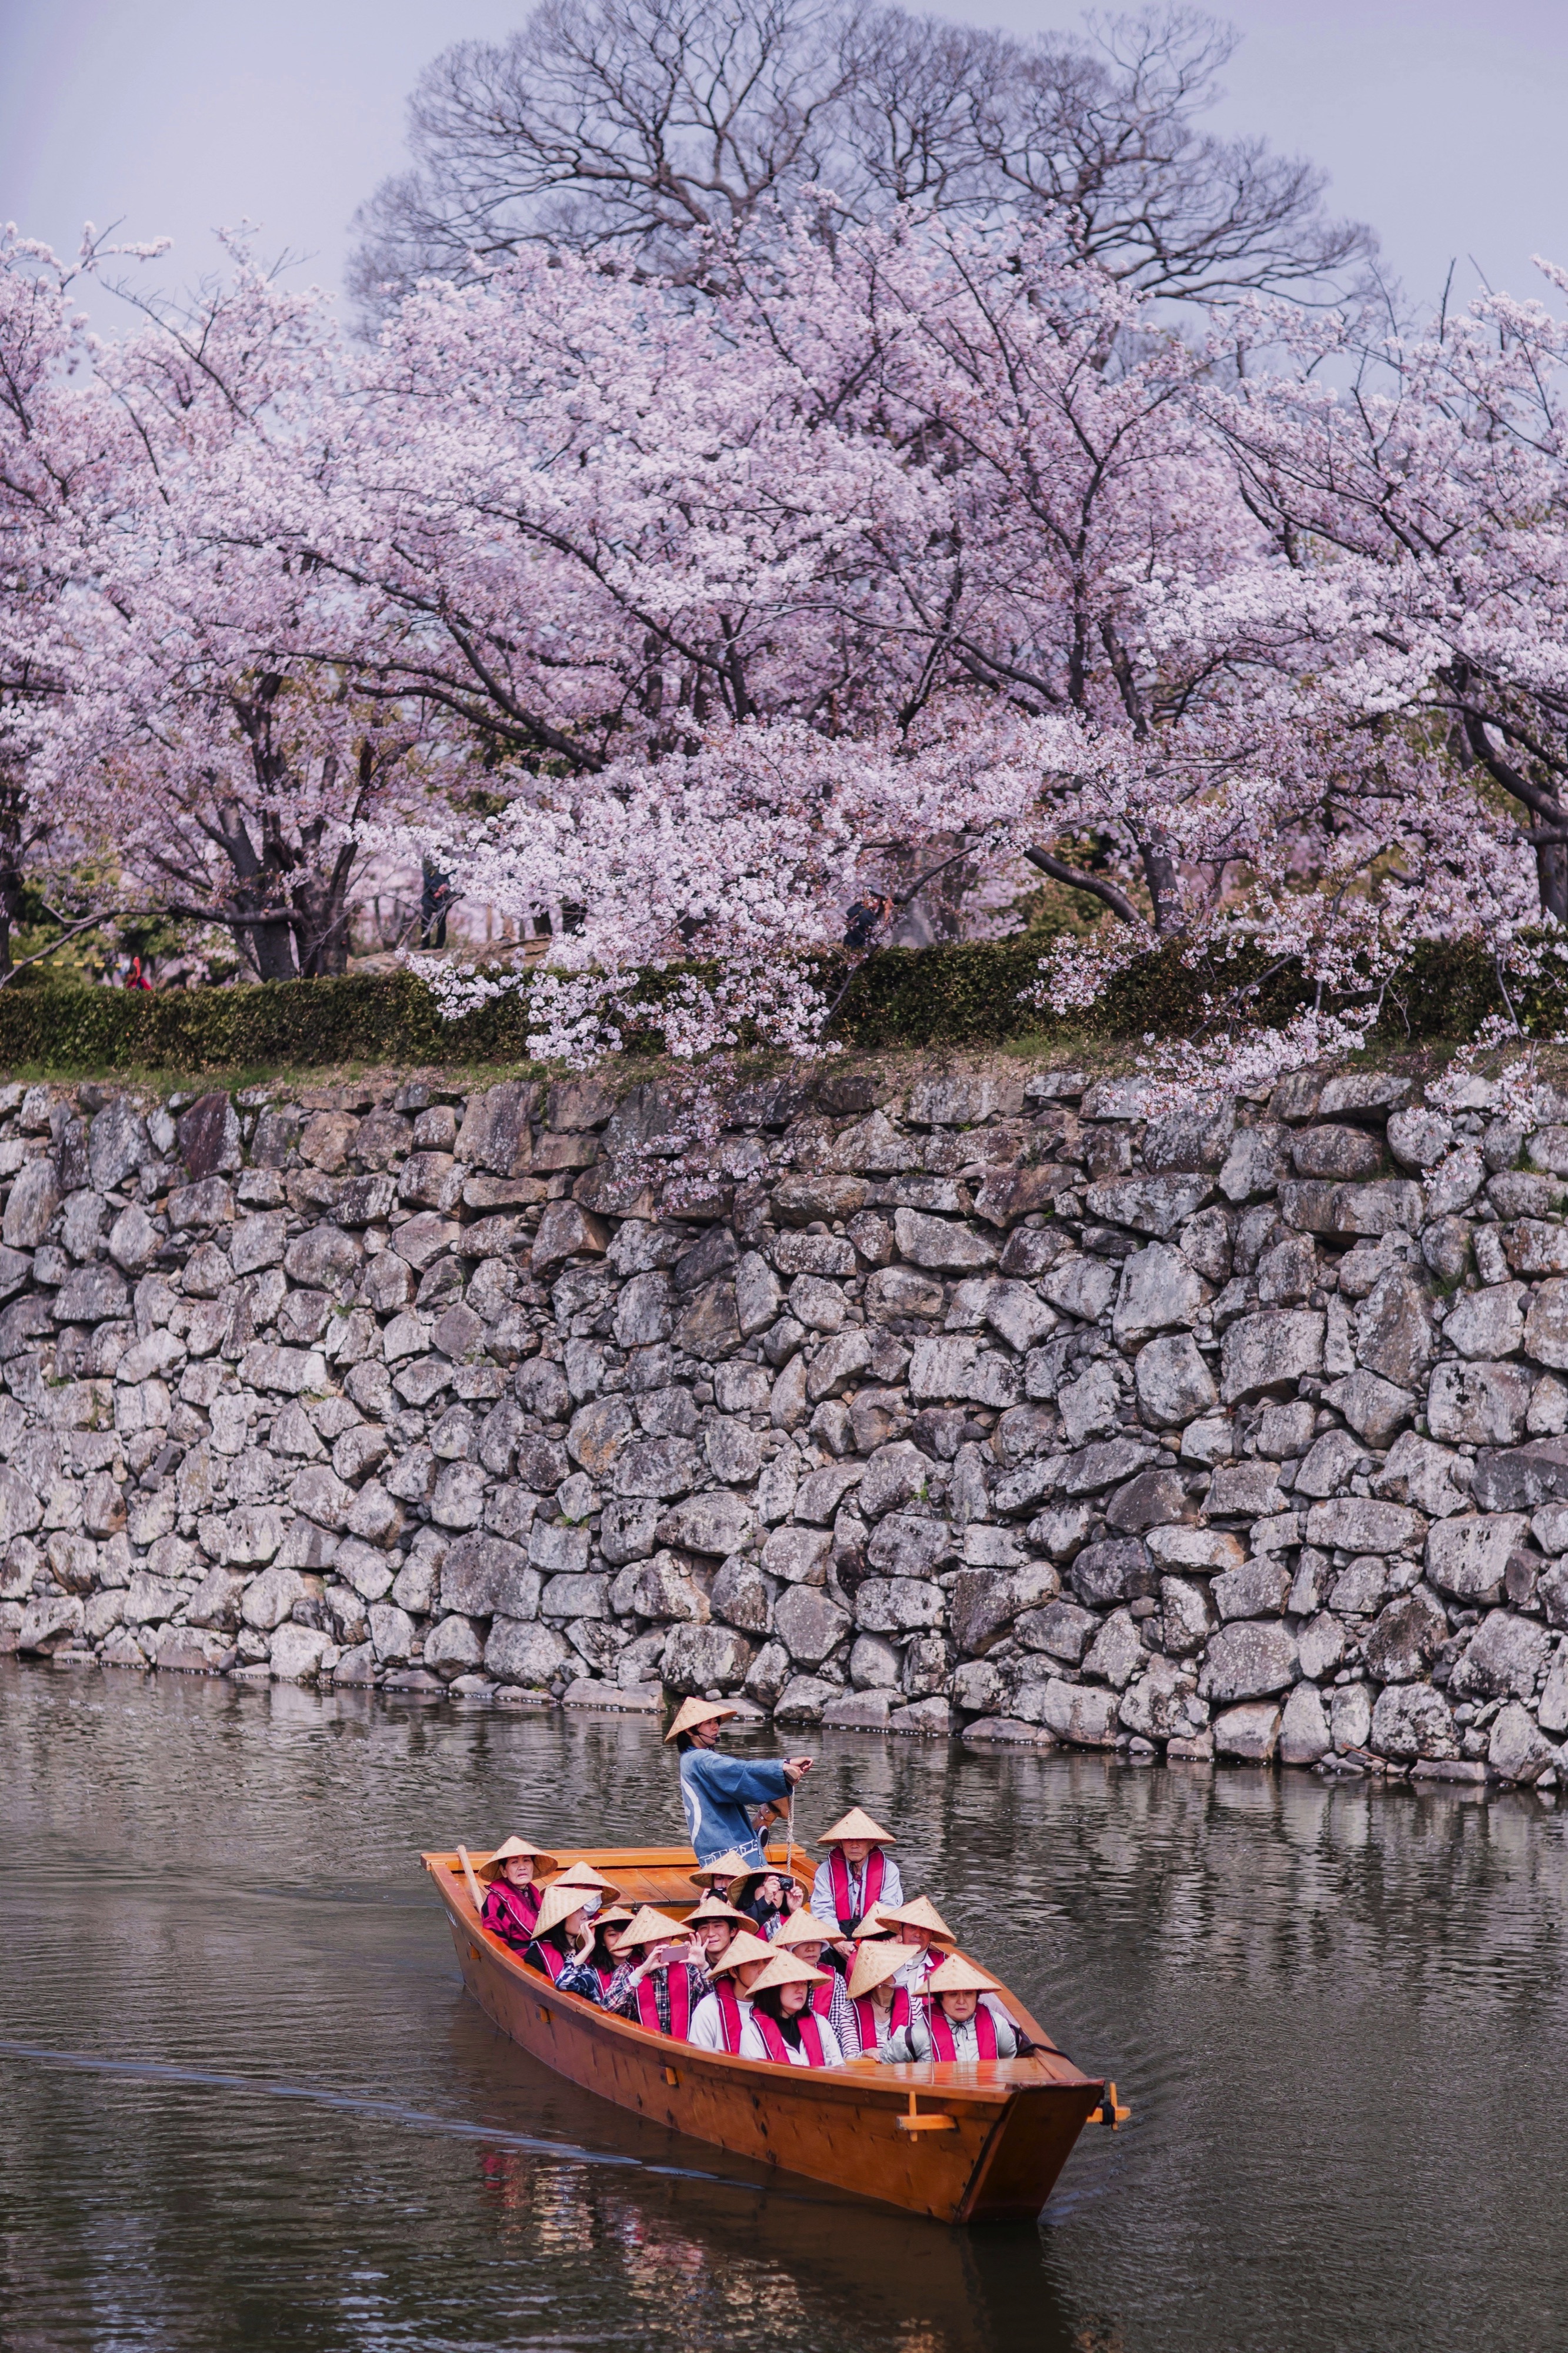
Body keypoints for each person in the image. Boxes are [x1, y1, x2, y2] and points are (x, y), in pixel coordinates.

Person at [665, 1697, 812, 1867]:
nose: (715, 1727)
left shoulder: (689, 1759)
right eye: (708, 1723)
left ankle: (762, 1821)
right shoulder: (700, 1758)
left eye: (716, 1722)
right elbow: (737, 1770)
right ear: (690, 1731)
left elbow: (736, 1768)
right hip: (728, 1849)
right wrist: (780, 1767)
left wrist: (785, 1763)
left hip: (712, 1847)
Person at [882, 1955, 1031, 2063]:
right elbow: (886, 2063)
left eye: (968, 1994)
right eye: (953, 1995)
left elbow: (1009, 2059)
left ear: (977, 1996)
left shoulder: (998, 2025)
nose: (961, 2001)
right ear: (940, 1999)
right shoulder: (917, 2034)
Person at [605, 1905, 710, 2038]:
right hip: (641, 2046)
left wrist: (703, 1967)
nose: (661, 1945)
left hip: (683, 2046)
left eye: (665, 1938)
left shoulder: (687, 1966)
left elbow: (713, 1999)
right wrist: (642, 1972)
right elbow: (608, 2005)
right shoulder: (628, 1970)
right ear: (641, 1944)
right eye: (653, 1941)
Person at [811, 1808, 904, 1944]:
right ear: (841, 1844)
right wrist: (838, 1943)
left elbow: (888, 1910)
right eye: (849, 1840)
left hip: (875, 1933)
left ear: (872, 1843)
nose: (854, 1845)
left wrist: (865, 1943)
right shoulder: (825, 1871)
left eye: (860, 1840)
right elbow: (823, 1911)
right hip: (838, 1932)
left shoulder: (889, 1870)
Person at [738, 1952, 845, 2068]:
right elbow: (756, 2079)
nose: (800, 1990)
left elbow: (838, 2067)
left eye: (804, 1984)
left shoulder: (820, 2023)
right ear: (775, 1988)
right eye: (793, 1983)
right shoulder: (753, 2032)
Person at [772, 1910, 856, 2052]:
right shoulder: (776, 1977)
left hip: (826, 2050)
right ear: (790, 1946)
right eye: (804, 1942)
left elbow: (838, 2029)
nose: (811, 1948)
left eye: (816, 1942)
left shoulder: (835, 1980)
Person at [686, 1928, 773, 2054]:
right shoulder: (708, 2008)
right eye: (754, 1964)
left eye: (766, 1962)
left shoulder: (777, 2003)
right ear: (733, 1971)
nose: (762, 1969)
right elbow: (697, 2060)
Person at [475, 1835, 558, 1951]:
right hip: (521, 1956)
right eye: (514, 1862)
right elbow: (496, 1944)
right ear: (504, 1871)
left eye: (527, 1861)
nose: (522, 1867)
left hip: (544, 1949)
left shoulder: (534, 1894)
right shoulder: (495, 1901)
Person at [525, 1882, 602, 1999]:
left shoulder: (597, 1949)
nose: (585, 1916)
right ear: (560, 1918)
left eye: (584, 1909)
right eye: (577, 1910)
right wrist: (588, 1947)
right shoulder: (536, 1955)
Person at [841, 1938, 914, 2058]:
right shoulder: (849, 2009)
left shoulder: (914, 2004)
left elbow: (922, 2048)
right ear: (880, 1978)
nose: (903, 1970)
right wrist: (865, 2054)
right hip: (866, 2074)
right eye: (896, 1968)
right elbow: (850, 2056)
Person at [878, 1897, 959, 1992]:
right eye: (912, 1927)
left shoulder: (946, 1965)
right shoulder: (882, 1961)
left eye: (924, 1929)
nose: (918, 1934)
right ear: (900, 1929)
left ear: (932, 1934)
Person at [578, 1904, 637, 1997]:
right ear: (602, 1941)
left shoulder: (645, 1967)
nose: (620, 1940)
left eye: (626, 1933)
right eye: (612, 1935)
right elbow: (564, 1983)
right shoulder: (592, 1973)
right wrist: (589, 1945)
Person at [685, 1893, 749, 1973]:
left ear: (733, 1931)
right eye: (704, 1928)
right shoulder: (688, 1966)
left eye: (718, 1926)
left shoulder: (747, 1963)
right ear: (696, 1933)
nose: (711, 1934)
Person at [688, 1848, 753, 1904]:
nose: (724, 1884)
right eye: (719, 1879)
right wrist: (705, 1910)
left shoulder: (754, 1908)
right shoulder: (711, 1903)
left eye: (730, 1878)